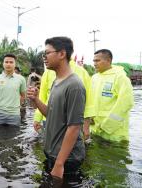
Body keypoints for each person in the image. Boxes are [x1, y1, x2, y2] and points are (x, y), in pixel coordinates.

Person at [27, 37, 86, 180]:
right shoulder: (56, 81)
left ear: (62, 54)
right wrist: (36, 100)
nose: (44, 57)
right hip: (53, 153)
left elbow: (74, 127)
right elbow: (51, 114)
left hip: (67, 159)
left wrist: (59, 164)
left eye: (47, 53)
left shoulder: (74, 86)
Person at [33, 58, 94, 141]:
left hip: (73, 122)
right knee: (51, 148)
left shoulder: (82, 72)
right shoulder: (48, 72)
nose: (46, 57)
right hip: (49, 119)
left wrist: (86, 125)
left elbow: (88, 100)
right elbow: (42, 97)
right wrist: (37, 118)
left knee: (72, 149)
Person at [91, 49, 134, 142]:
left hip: (114, 133)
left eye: (97, 60)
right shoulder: (94, 78)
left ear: (108, 61)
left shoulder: (120, 77)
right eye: (94, 61)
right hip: (95, 129)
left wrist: (108, 126)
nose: (94, 63)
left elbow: (126, 103)